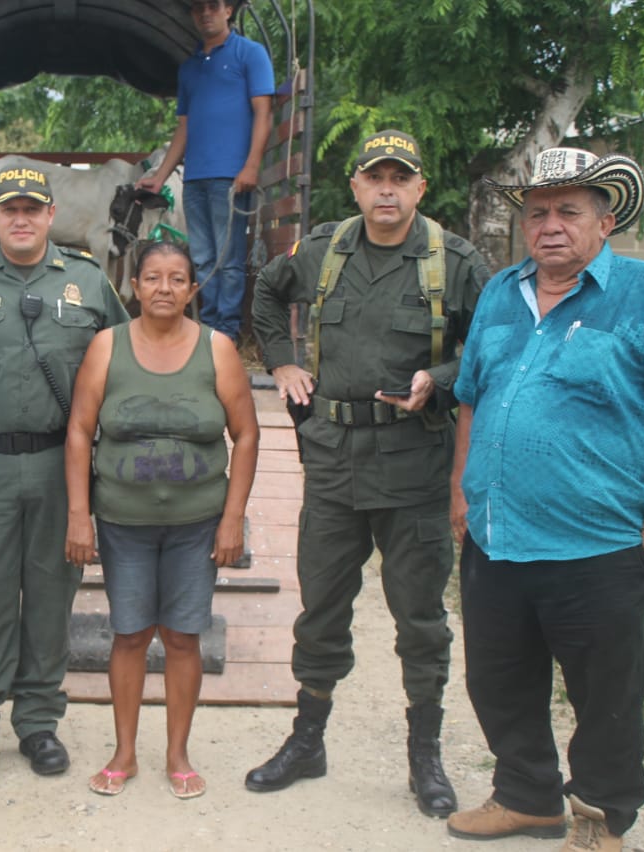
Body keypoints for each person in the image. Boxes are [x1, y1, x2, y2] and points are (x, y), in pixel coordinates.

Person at [446, 148, 644, 851]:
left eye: (568, 211)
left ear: (605, 222)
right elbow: (473, 400)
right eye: (537, 212)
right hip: (496, 535)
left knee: (604, 695)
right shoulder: (501, 293)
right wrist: (460, 493)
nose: (549, 226)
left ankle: (601, 817)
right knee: (496, 680)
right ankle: (526, 797)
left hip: (598, 544)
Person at [246, 130, 489, 817]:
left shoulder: (456, 261)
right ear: (355, 186)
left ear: (419, 188)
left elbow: (496, 342)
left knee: (420, 618)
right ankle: (307, 739)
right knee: (320, 609)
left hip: (413, 463)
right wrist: (282, 359)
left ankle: (425, 755)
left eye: (400, 178)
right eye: (374, 177)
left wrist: (440, 379)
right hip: (331, 460)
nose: (386, 189)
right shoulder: (323, 248)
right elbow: (267, 290)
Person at [0, 164, 129, 786]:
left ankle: (39, 721)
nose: (20, 219)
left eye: (32, 209)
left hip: (59, 469)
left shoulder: (87, 283)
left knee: (50, 598)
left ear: (49, 215)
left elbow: (126, 360)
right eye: (9, 208)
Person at [65, 241, 259, 800]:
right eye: (153, 278)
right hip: (123, 522)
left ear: (193, 290)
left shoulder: (219, 350)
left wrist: (233, 519)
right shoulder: (107, 347)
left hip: (197, 524)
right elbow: (79, 431)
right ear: (134, 285)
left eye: (178, 279)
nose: (165, 289)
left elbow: (246, 434)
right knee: (128, 635)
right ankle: (124, 753)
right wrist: (80, 513)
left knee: (181, 636)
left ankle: (177, 753)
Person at [136, 0, 273, 343]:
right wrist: (161, 175)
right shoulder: (189, 68)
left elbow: (264, 113)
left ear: (228, 11)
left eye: (213, 6)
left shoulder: (249, 54)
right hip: (194, 178)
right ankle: (209, 326)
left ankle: (226, 331)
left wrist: (251, 165)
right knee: (202, 256)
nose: (205, 13)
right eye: (198, 8)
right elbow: (183, 128)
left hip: (231, 177)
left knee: (228, 258)